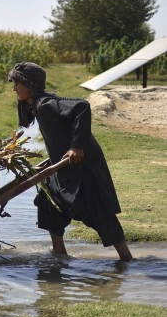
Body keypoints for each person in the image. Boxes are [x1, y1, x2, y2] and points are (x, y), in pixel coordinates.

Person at [8, 62, 132, 262]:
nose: (14, 89)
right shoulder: (36, 107)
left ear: (29, 84)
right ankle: (59, 255)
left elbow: (81, 106)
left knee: (100, 212)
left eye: (17, 84)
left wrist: (76, 146)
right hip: (68, 167)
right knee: (48, 202)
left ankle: (127, 259)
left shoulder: (44, 103)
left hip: (84, 166)